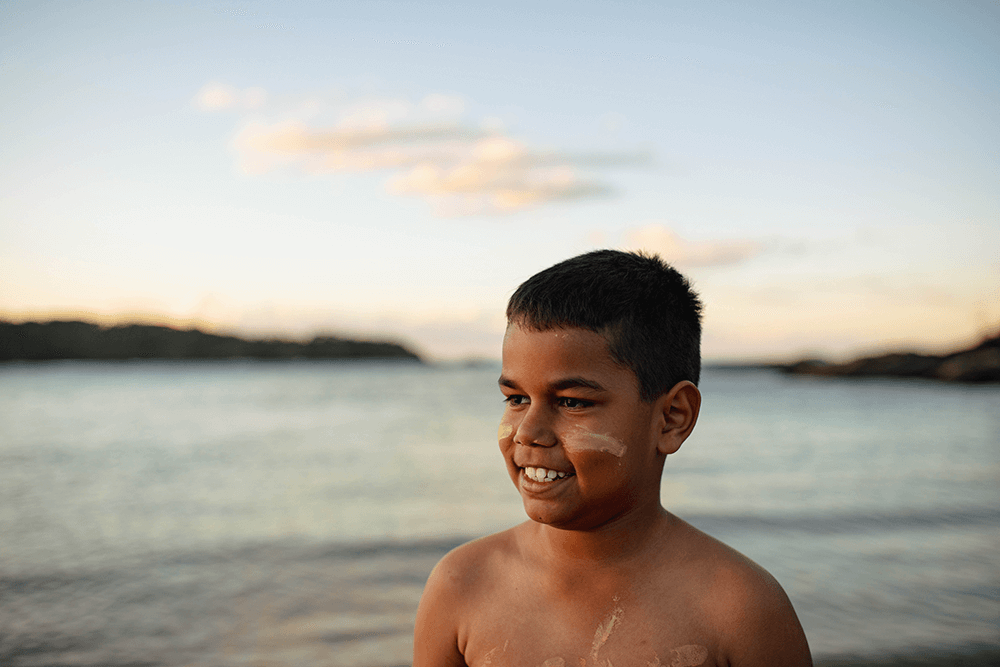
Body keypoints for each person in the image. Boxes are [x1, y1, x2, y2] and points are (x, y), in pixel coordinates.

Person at [413, 249, 812, 667]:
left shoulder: (740, 611)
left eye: (571, 402)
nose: (527, 432)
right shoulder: (461, 584)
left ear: (672, 418)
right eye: (516, 399)